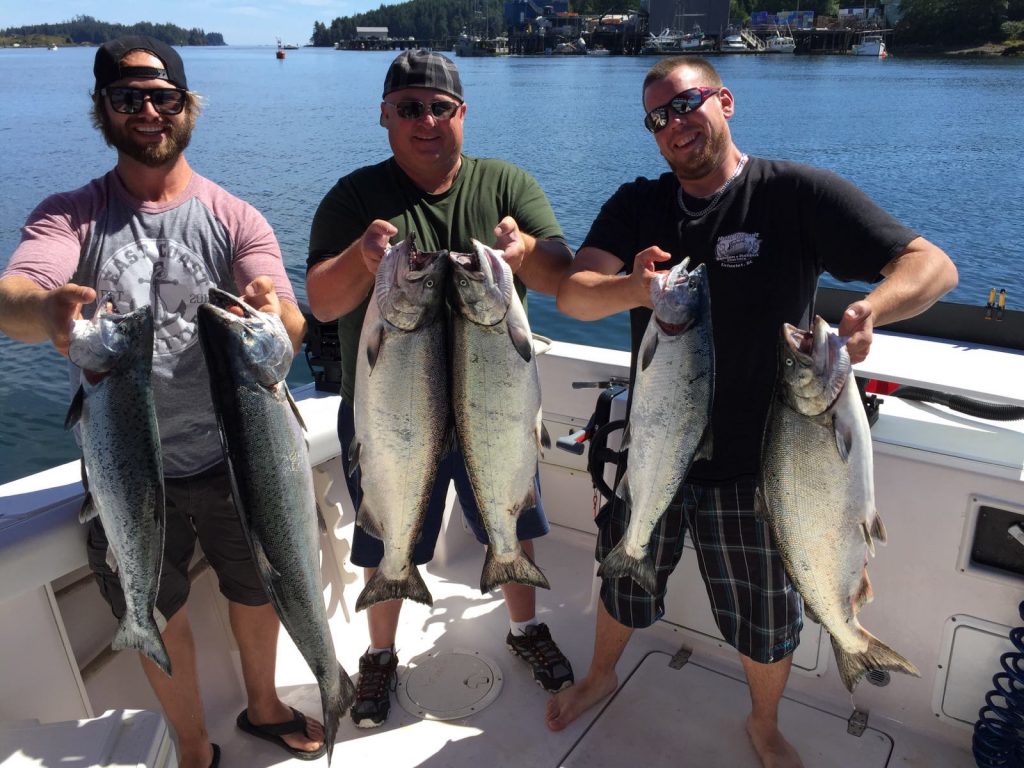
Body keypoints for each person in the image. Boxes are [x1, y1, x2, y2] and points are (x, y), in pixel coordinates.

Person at [548, 56, 958, 768]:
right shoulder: (638, 203)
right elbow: (576, 294)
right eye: (658, 118)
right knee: (625, 570)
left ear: (725, 100)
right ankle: (601, 673)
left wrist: (870, 309)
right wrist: (636, 292)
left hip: (767, 462)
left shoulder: (794, 193)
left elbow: (932, 265)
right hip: (654, 449)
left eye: (686, 103)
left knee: (766, 616)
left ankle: (763, 724)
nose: (675, 125)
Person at [0, 37, 322, 768]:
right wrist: (49, 311)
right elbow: (11, 296)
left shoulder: (234, 217)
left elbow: (285, 311)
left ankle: (264, 706)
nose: (147, 112)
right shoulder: (71, 217)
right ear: (103, 111)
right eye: (126, 98)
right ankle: (192, 744)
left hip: (234, 455)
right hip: (125, 472)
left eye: (162, 97)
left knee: (257, 585)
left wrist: (278, 316)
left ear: (186, 106)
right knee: (156, 605)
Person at [305, 49, 575, 729]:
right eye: (408, 108)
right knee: (384, 532)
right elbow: (322, 300)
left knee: (512, 517)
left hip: (495, 405)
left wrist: (523, 258)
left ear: (462, 113)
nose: (425, 121)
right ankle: (379, 654)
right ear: (385, 117)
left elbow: (561, 273)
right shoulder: (352, 197)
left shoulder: (503, 183)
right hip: (393, 408)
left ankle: (524, 629)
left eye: (439, 107)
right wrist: (360, 260)